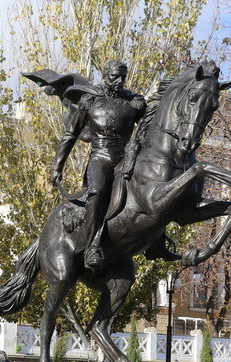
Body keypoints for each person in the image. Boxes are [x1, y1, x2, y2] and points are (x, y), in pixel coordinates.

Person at [48, 60, 158, 270]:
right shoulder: (90, 100)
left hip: (127, 158)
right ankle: (92, 247)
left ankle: (156, 243)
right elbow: (70, 134)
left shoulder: (134, 102)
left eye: (123, 77)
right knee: (97, 192)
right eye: (115, 76)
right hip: (101, 158)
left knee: (153, 187)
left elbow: (150, 130)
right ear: (105, 75)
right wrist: (57, 166)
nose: (119, 81)